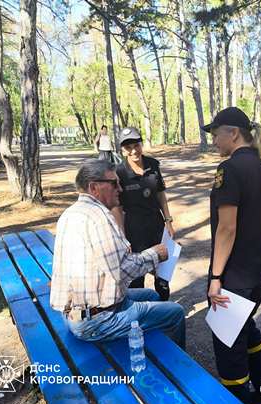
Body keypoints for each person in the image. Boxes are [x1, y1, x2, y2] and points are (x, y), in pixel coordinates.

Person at [50, 159, 185, 348]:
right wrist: (156, 255)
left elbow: (105, 264)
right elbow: (121, 272)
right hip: (97, 321)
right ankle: (175, 369)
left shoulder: (70, 213)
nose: (120, 189)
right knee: (176, 313)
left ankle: (152, 350)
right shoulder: (100, 216)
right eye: (114, 183)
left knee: (152, 296)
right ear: (94, 187)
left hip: (78, 313)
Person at [203, 107, 261, 404]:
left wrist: (215, 277)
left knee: (227, 340)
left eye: (216, 134)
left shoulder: (230, 170)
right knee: (245, 324)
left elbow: (226, 228)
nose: (214, 142)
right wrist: (259, 255)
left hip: (233, 274)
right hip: (256, 269)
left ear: (233, 133)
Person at [111, 127, 174, 301]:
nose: (133, 151)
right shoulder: (119, 172)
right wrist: (122, 236)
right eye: (128, 147)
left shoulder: (153, 165)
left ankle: (163, 310)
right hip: (134, 229)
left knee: (162, 275)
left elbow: (160, 193)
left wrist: (168, 221)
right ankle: (139, 319)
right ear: (123, 150)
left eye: (136, 145)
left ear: (141, 144)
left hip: (156, 225)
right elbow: (117, 207)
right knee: (136, 277)